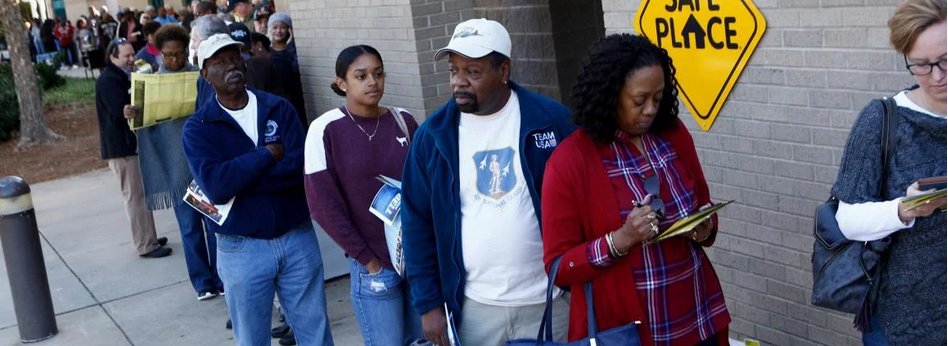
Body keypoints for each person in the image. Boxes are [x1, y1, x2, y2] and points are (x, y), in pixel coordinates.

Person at [540, 33, 731, 346]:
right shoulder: (570, 161)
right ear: (609, 95)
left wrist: (703, 226)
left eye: (659, 98)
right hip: (627, 331)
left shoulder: (673, 135)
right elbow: (559, 267)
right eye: (640, 100)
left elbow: (702, 203)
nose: (651, 110)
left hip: (697, 316)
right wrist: (622, 238)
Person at [401, 19, 575, 346]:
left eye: (473, 72)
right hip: (475, 309)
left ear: (504, 70)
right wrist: (428, 304)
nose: (459, 82)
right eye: (454, 70)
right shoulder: (433, 137)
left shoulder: (552, 122)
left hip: (550, 301)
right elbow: (416, 223)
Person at [181, 33, 335, 346]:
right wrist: (266, 155)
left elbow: (298, 169)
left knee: (315, 335)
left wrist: (243, 176)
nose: (231, 66)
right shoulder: (198, 128)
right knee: (252, 339)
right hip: (242, 249)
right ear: (205, 75)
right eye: (219, 62)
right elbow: (217, 187)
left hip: (296, 238)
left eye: (235, 58)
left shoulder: (279, 108)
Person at [833, 1, 946, 345]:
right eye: (922, 66)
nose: (938, 76)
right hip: (902, 316)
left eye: (946, 59)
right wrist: (903, 209)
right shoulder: (882, 120)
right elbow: (846, 218)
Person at [305, 45, 426, 346]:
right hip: (374, 267)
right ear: (342, 82)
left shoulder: (404, 120)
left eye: (378, 74)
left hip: (417, 260)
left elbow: (425, 186)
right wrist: (368, 260)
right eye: (361, 76)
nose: (372, 82)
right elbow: (323, 205)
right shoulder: (325, 129)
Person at [123, 24, 224, 302]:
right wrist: (131, 112)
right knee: (190, 228)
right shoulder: (150, 81)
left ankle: (221, 277)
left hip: (202, 166)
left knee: (214, 225)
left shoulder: (200, 77)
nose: (174, 60)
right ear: (160, 55)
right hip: (176, 168)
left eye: (179, 54)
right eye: (168, 55)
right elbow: (139, 123)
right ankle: (203, 283)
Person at [95, 38, 171, 259]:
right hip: (122, 149)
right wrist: (129, 108)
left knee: (139, 194)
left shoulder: (121, 76)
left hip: (128, 146)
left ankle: (150, 237)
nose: (131, 59)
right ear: (112, 57)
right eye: (126, 56)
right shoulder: (108, 80)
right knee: (134, 196)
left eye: (132, 54)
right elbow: (120, 111)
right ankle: (145, 245)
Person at [266, 13, 306, 127]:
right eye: (275, 27)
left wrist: (290, 46)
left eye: (283, 27)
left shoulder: (294, 50)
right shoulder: (267, 52)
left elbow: (297, 70)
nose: (278, 31)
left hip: (296, 100)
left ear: (289, 30)